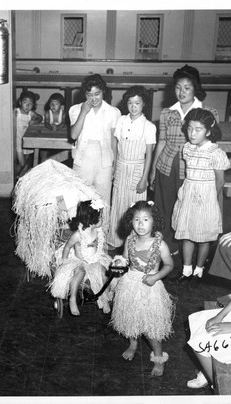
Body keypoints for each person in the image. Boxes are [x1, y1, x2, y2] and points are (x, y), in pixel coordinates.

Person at [149, 65, 219, 255]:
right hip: (167, 166)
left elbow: (211, 146)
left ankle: (188, 251)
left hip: (193, 169)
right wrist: (153, 171)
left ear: (196, 88)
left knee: (189, 210)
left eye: (187, 88)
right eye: (178, 87)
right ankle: (167, 249)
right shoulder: (166, 112)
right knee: (164, 207)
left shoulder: (208, 112)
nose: (182, 92)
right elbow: (162, 142)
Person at [110, 201, 174, 376]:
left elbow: (169, 265)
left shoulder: (160, 244)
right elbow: (124, 259)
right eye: (136, 220)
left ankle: (159, 357)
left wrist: (156, 276)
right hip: (130, 283)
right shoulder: (129, 240)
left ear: (154, 221)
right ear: (130, 222)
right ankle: (133, 343)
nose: (140, 224)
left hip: (150, 287)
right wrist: (118, 263)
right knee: (130, 317)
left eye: (145, 219)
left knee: (151, 326)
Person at [172, 109, 230, 282]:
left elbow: (220, 181)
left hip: (206, 197)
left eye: (198, 129)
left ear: (209, 131)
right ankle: (187, 269)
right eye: (190, 128)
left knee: (203, 237)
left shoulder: (215, 153)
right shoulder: (187, 148)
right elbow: (188, 173)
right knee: (187, 233)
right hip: (189, 193)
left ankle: (199, 270)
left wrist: (210, 200)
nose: (192, 133)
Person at [108, 86, 156, 249]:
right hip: (121, 167)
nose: (133, 106)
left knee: (135, 208)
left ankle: (136, 244)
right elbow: (115, 144)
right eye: (130, 103)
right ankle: (115, 241)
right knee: (119, 203)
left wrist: (144, 178)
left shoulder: (149, 126)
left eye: (137, 103)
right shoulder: (121, 120)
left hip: (137, 169)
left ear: (144, 105)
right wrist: (114, 165)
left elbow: (149, 155)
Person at [186, 273, 231, 389]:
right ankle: (210, 372)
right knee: (199, 324)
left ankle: (216, 385)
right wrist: (220, 316)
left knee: (199, 343)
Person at [50, 199, 112, 316]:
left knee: (105, 274)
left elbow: (97, 245)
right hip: (79, 261)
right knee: (80, 272)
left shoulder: (97, 231)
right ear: (91, 220)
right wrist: (64, 261)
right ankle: (72, 298)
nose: (102, 219)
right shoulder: (78, 235)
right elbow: (68, 247)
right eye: (100, 217)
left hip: (94, 260)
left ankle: (105, 298)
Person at [69, 74, 121, 205]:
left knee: (102, 199)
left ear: (103, 91)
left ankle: (102, 225)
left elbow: (113, 142)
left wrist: (115, 163)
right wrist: (83, 112)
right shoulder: (75, 109)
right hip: (83, 159)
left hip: (104, 161)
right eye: (89, 95)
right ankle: (81, 225)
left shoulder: (113, 112)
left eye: (97, 94)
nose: (93, 98)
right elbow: (74, 135)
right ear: (84, 94)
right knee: (81, 197)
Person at [13, 90, 43, 177]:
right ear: (20, 102)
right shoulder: (16, 112)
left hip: (26, 140)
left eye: (30, 103)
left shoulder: (31, 113)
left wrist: (35, 121)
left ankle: (19, 176)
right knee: (22, 163)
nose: (27, 105)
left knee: (26, 160)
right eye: (25, 102)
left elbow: (40, 117)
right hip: (18, 141)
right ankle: (12, 178)